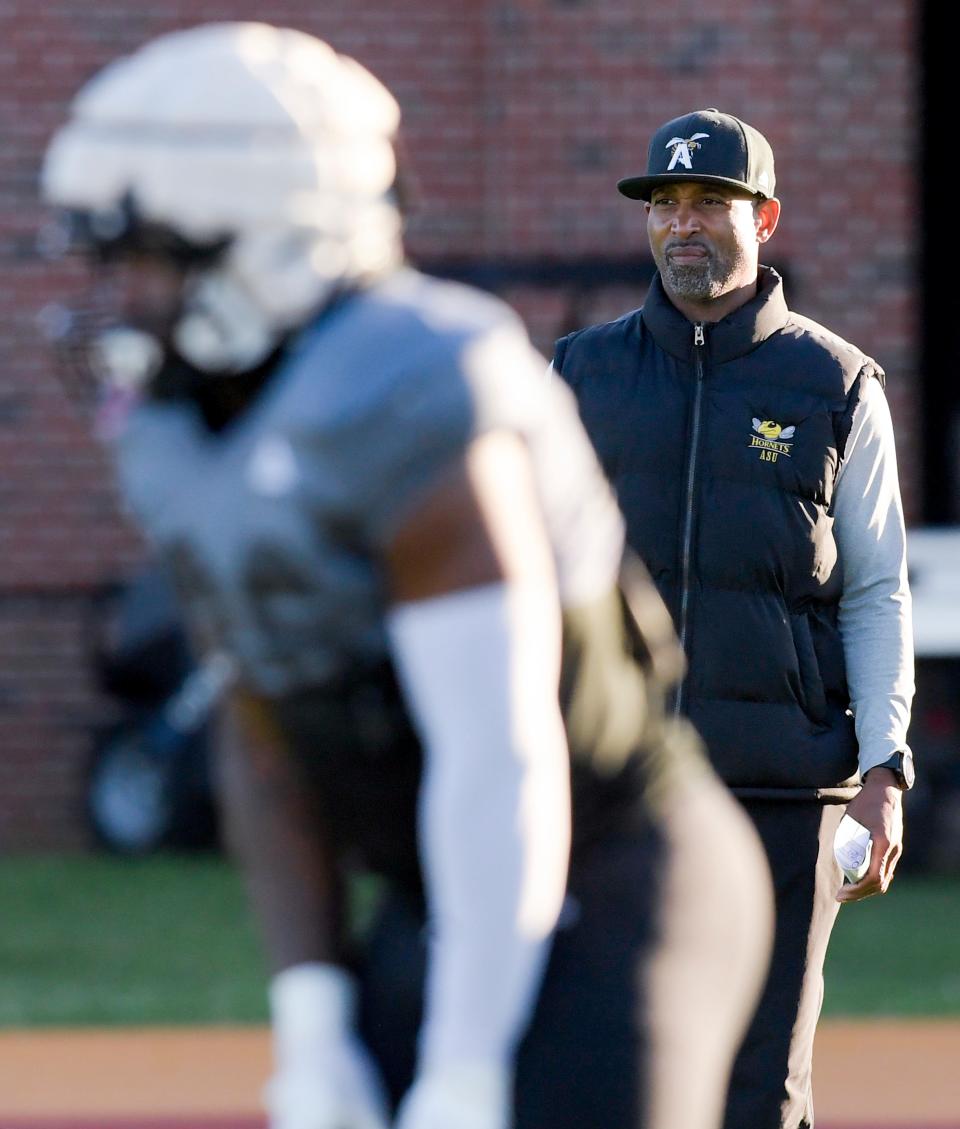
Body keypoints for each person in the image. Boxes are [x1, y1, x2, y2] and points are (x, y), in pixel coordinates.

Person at [40, 37, 773, 1129]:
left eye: (151, 257)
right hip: (444, 893)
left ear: (270, 244)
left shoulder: (416, 381)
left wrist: (467, 1063)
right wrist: (312, 1020)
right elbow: (263, 725)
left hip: (618, 858)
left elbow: (501, 753)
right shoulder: (177, 430)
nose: (126, 297)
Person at [552, 107, 915, 1129]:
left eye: (710, 201)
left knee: (763, 1088)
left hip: (783, 788)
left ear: (765, 217)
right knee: (612, 1071)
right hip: (617, 789)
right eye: (664, 203)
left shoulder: (837, 384)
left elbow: (878, 587)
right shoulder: (579, 375)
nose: (683, 224)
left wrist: (883, 769)